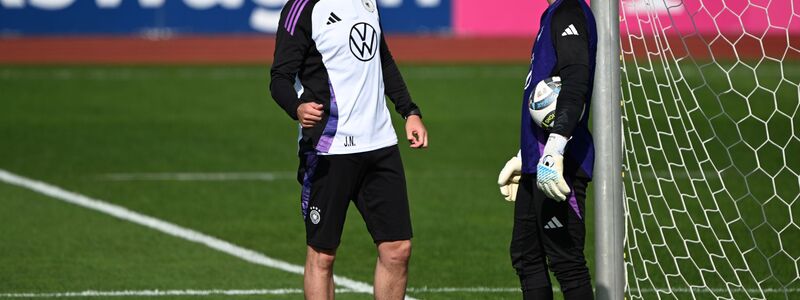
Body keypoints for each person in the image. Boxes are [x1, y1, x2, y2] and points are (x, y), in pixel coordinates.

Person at [270, 0, 427, 299]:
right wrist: (297, 107)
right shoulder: (302, 7)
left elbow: (382, 58)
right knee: (323, 255)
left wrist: (410, 111)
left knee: (398, 249)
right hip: (329, 148)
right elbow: (279, 77)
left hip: (380, 144)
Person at [497, 0, 597, 299]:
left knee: (566, 261)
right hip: (538, 158)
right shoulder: (555, 13)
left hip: (559, 161)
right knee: (526, 255)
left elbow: (575, 83)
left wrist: (554, 150)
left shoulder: (570, 10)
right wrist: (525, 155)